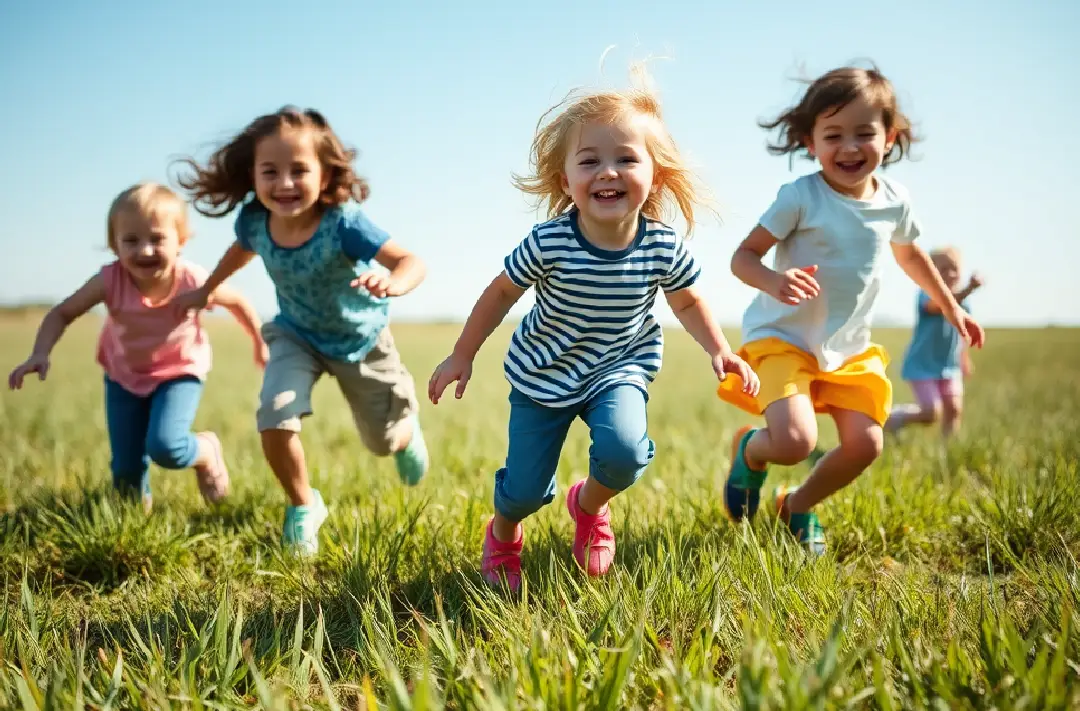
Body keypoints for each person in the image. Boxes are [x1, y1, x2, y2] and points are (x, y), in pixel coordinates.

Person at [429, 73, 758, 592]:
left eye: (626, 159)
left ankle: (587, 504)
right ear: (566, 181)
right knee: (522, 490)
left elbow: (688, 298)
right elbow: (500, 293)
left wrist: (720, 350)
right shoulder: (550, 241)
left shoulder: (661, 246)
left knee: (625, 452)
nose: (608, 171)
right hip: (544, 373)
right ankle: (504, 532)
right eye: (589, 161)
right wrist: (461, 354)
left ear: (656, 175)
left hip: (618, 367)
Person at [716, 66, 985, 555]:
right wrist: (774, 281)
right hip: (783, 339)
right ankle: (750, 452)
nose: (849, 147)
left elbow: (911, 257)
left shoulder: (896, 201)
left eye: (865, 133)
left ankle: (796, 504)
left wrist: (951, 309)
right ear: (809, 141)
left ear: (889, 138)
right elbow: (742, 257)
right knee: (795, 440)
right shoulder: (801, 195)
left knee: (867, 444)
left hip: (848, 348)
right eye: (833, 135)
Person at [173, 106, 429, 555]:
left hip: (360, 342)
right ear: (252, 175)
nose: (284, 183)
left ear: (326, 175)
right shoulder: (255, 222)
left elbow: (411, 261)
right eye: (270, 171)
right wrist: (207, 290)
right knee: (274, 413)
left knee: (383, 441)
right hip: (296, 336)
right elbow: (240, 252)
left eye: (299, 170)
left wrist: (392, 283)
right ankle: (303, 505)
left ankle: (407, 429)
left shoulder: (343, 223)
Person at [8, 182, 266, 511]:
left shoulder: (191, 279)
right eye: (131, 240)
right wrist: (40, 352)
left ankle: (204, 451)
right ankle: (136, 522)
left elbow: (238, 302)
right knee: (126, 471)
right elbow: (62, 312)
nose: (144, 250)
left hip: (179, 373)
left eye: (157, 239)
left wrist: (258, 341)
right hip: (123, 376)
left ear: (181, 241)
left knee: (166, 446)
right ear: (114, 245)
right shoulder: (110, 279)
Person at [886, 247, 983, 438]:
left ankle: (947, 451)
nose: (950, 273)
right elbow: (941, 306)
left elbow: (962, 335)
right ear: (930, 273)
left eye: (954, 269)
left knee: (954, 409)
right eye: (943, 269)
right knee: (931, 412)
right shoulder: (926, 295)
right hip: (922, 365)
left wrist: (964, 359)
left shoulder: (965, 304)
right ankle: (894, 419)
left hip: (949, 366)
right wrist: (969, 289)